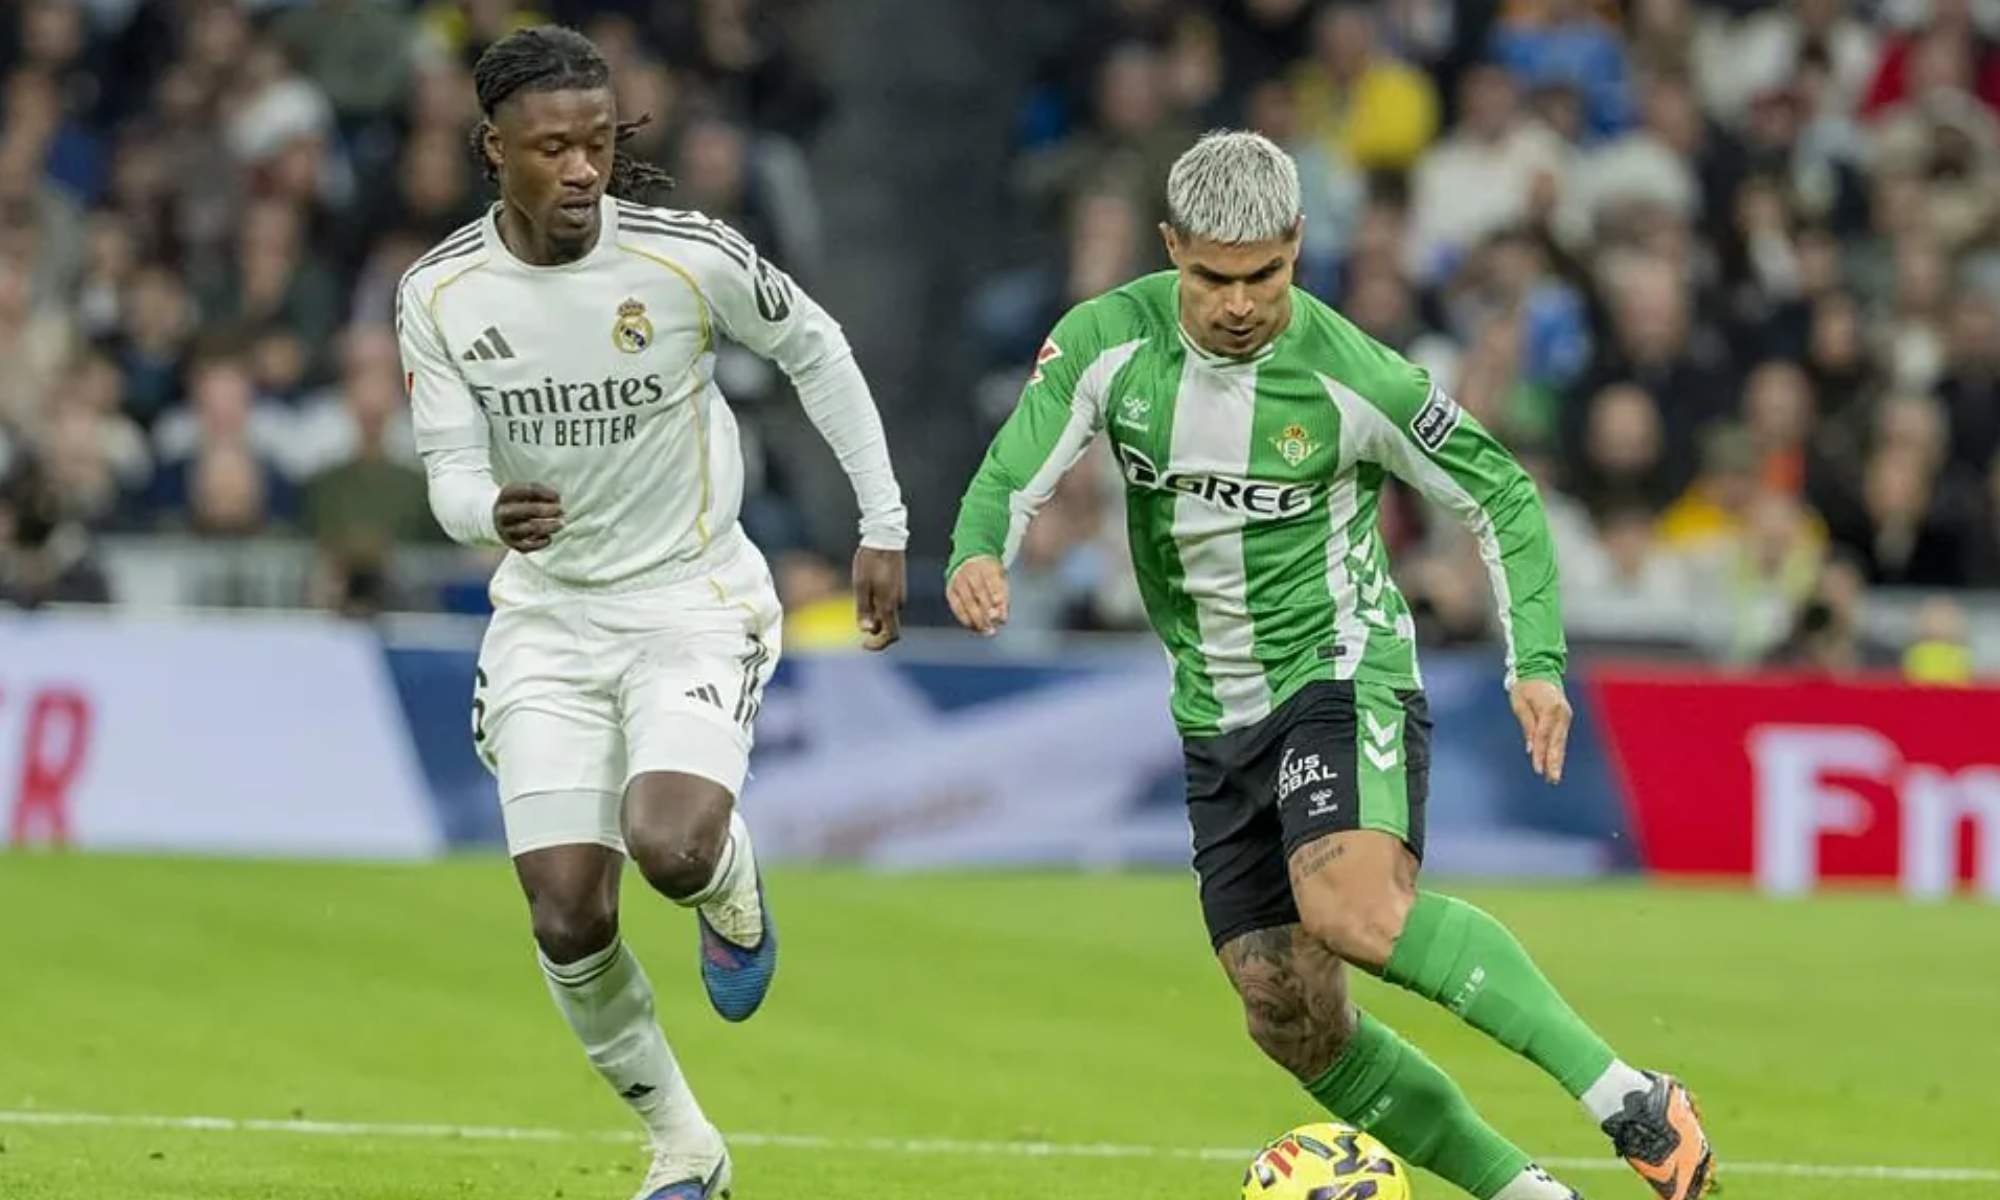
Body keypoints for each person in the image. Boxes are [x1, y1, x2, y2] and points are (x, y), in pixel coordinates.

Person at [946, 131, 1716, 1200]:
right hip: (1213, 715)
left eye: (1263, 273)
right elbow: (1011, 468)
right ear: (1172, 249)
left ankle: (1628, 1096)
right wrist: (976, 549)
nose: (1237, 302)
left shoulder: (1352, 374)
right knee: (1285, 1012)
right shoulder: (1104, 345)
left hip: (1338, 671)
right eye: (1210, 276)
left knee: (1351, 910)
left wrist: (1532, 658)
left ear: (1297, 246)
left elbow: (1498, 492)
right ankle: (1525, 1194)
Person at [396, 26, 908, 1200]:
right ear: (493, 150)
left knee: (668, 841)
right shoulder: (438, 293)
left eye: (598, 143)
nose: (581, 170)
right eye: (552, 149)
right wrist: (488, 511)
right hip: (546, 616)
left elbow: (815, 348)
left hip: (690, 597)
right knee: (566, 912)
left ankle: (728, 879)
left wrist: (879, 519)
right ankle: (686, 1147)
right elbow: (446, 470)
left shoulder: (685, 256)